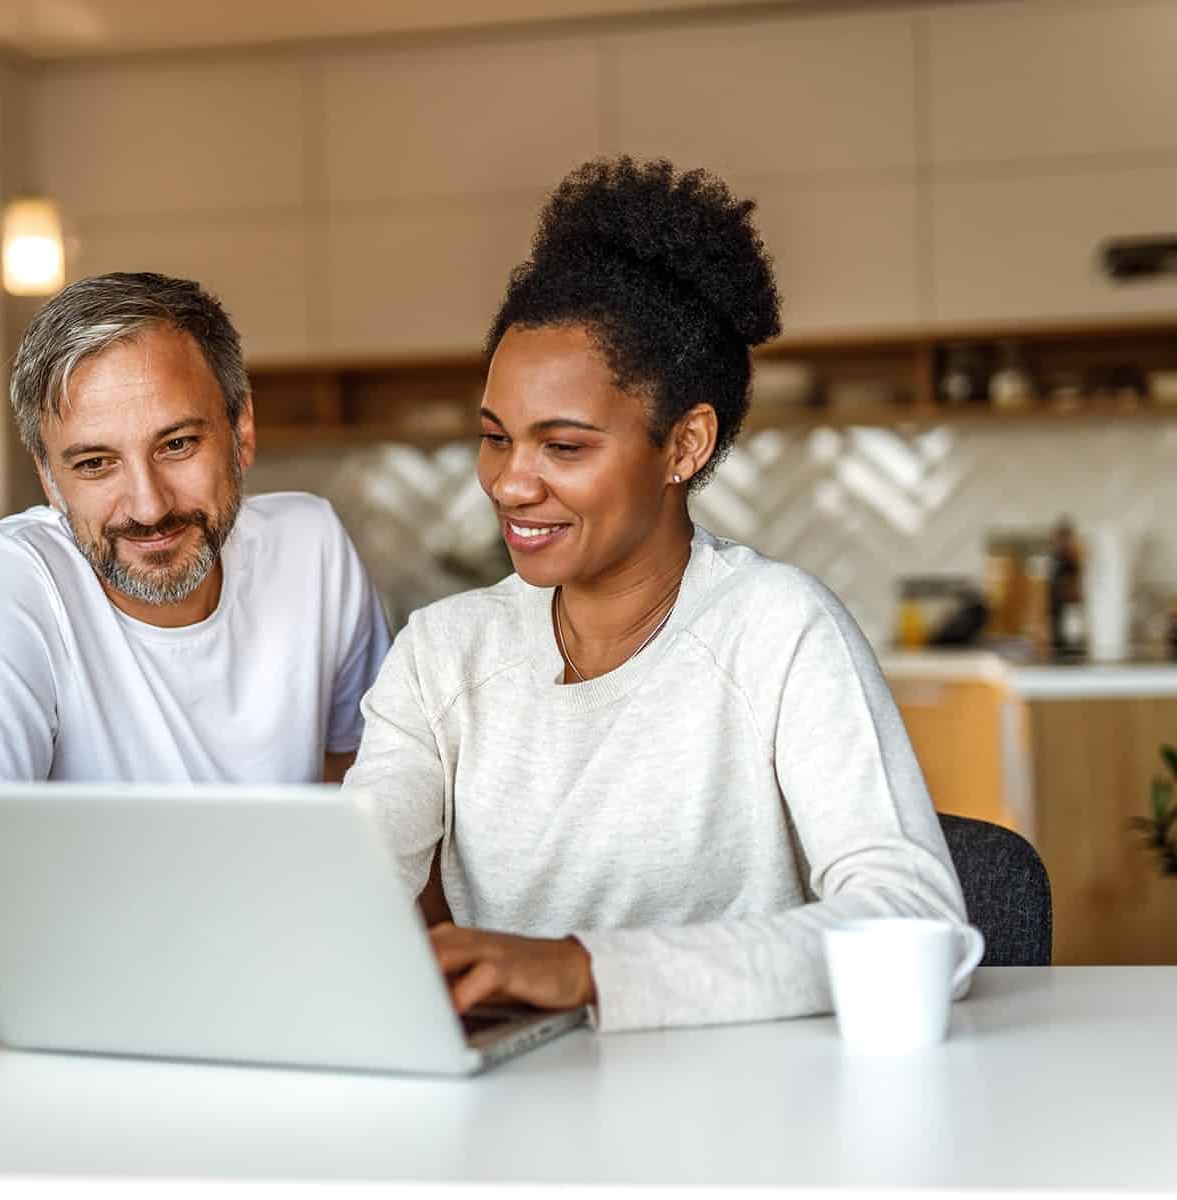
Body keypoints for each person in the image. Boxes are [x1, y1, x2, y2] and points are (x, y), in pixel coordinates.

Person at [343, 157, 968, 1034]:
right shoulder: (443, 653)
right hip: (527, 1119)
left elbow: (918, 920)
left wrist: (586, 970)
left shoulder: (777, 628)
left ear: (684, 445)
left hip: (755, 1115)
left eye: (563, 447)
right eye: (495, 439)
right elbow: (351, 888)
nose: (510, 484)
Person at [0, 271, 391, 980]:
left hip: (267, 992)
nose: (148, 505)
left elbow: (375, 818)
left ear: (240, 430)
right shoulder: (5, 582)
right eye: (95, 464)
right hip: (26, 1023)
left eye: (177, 445)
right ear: (47, 477)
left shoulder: (313, 547)